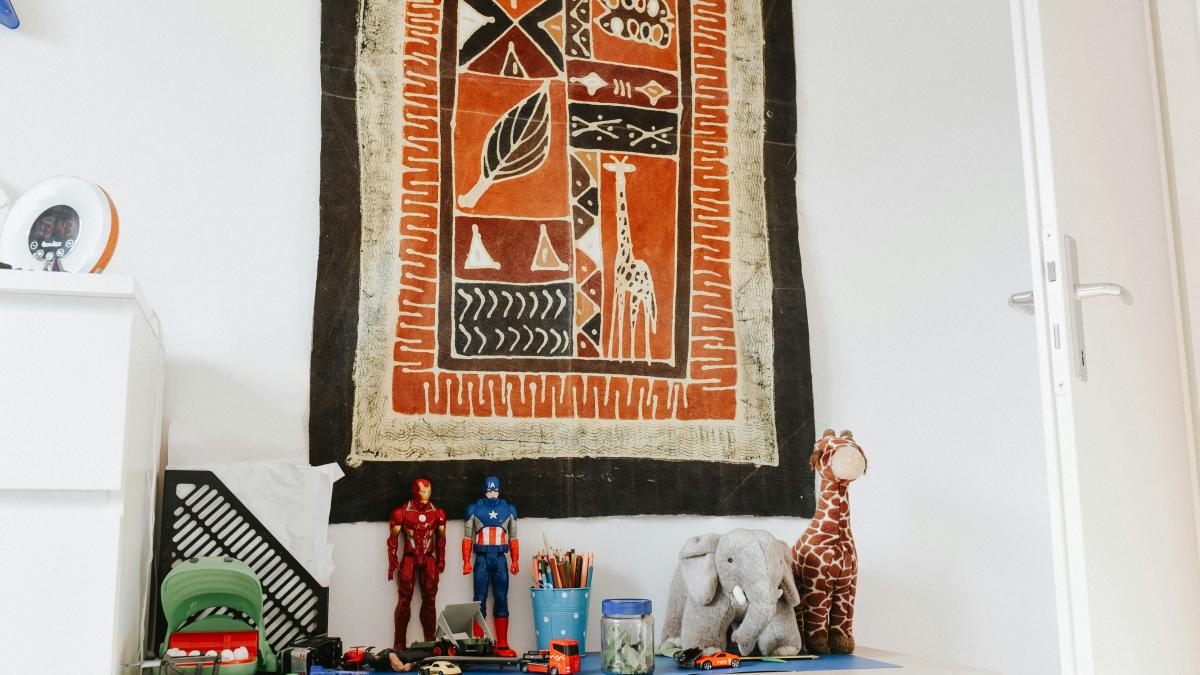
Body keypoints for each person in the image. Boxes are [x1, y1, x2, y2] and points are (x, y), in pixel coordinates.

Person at [463, 476, 519, 657]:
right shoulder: (474, 508)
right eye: (489, 490)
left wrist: (515, 560)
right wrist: (466, 561)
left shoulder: (508, 509)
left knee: (502, 598)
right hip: (481, 558)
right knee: (479, 600)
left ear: (499, 490)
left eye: (495, 490)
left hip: (500, 558)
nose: (492, 493)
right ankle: (479, 644)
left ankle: (502, 643)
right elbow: (467, 538)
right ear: (484, 490)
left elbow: (513, 538)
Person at [389, 478, 447, 650]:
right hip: (409, 557)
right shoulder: (402, 513)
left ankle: (430, 642)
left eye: (428, 491)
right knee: (404, 600)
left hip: (429, 557)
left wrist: (442, 559)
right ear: (415, 491)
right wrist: (392, 560)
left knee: (430, 599)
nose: (426, 495)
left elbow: (441, 540)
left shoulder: (437, 513)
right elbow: (392, 540)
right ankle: (399, 643)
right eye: (422, 491)